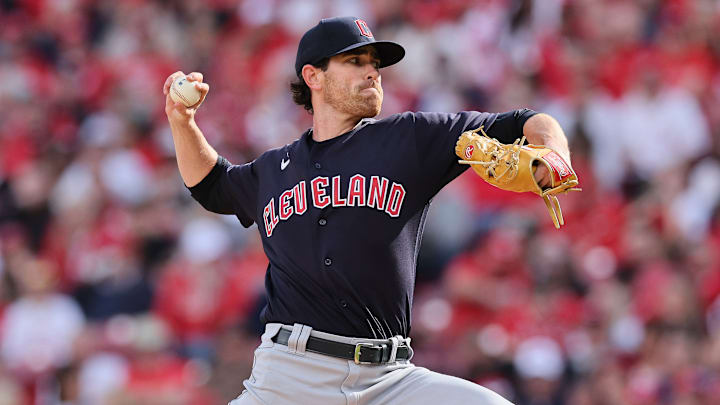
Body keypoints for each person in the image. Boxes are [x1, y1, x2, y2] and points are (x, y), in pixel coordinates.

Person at [163, 16, 572, 405]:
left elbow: (525, 120)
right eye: (355, 61)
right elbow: (212, 186)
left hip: (390, 379)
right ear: (313, 77)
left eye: (375, 64)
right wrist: (182, 122)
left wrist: (553, 154)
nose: (372, 72)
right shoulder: (273, 170)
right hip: (290, 380)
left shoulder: (410, 139)